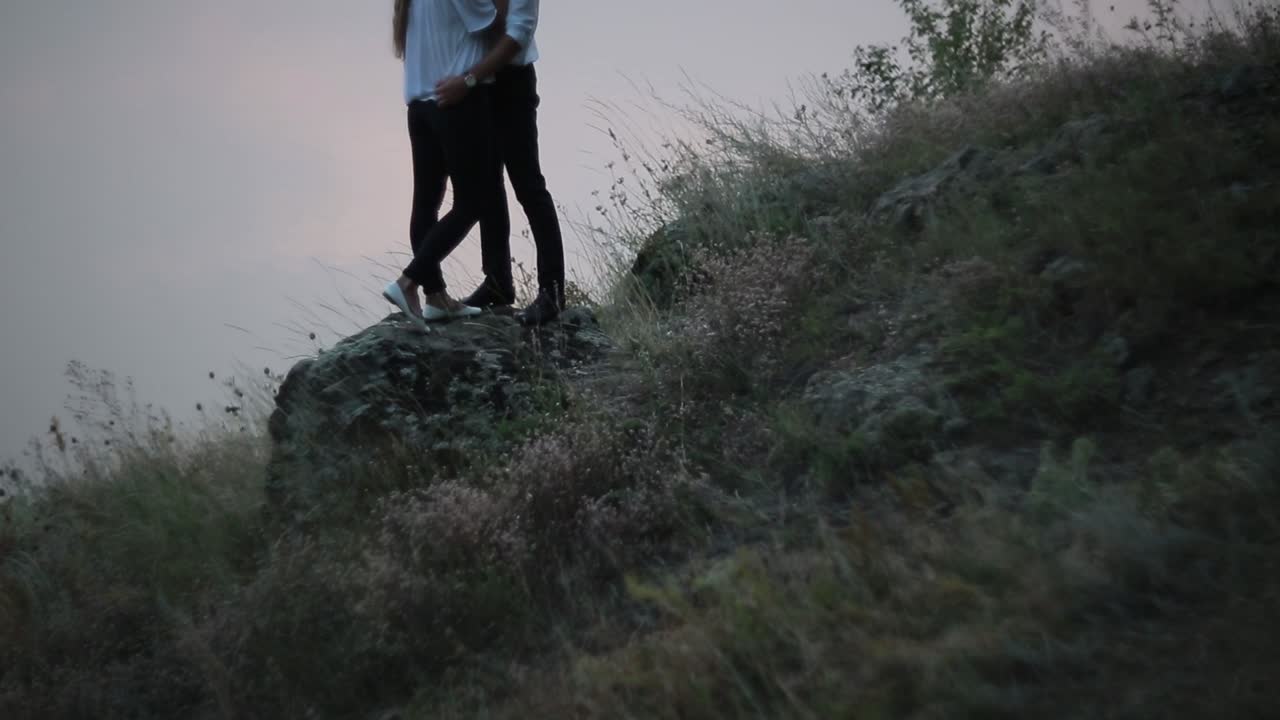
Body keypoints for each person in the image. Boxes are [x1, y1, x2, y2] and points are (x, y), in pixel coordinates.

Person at [381, 0, 521, 330]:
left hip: (420, 106)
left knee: (426, 202)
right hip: (457, 101)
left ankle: (436, 297)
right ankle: (408, 282)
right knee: (475, 200)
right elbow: (495, 25)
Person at [456, 0, 568, 326]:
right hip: (478, 82)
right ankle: (497, 282)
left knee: (528, 184)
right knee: (487, 184)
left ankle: (552, 289)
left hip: (511, 80)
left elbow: (514, 29)